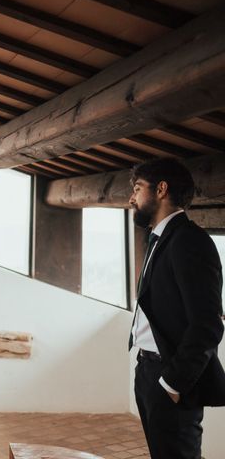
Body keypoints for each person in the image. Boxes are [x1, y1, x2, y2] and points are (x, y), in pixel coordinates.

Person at [128, 157, 225, 459]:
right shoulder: (159, 238)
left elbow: (208, 324)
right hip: (148, 369)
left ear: (161, 189)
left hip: (169, 375)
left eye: (137, 188)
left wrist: (172, 383)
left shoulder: (190, 241)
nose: (131, 197)